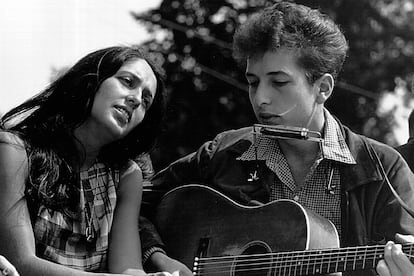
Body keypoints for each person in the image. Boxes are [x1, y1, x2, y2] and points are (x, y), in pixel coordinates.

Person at [137, 3, 414, 276]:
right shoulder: (223, 152)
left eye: (279, 82)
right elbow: (132, 203)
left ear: (323, 88)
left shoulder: (384, 169)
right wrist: (159, 258)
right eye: (253, 82)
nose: (260, 99)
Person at [0, 45, 179, 276]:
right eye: (127, 81)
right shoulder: (15, 152)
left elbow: (128, 269)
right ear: (91, 81)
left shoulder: (127, 176)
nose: (136, 99)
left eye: (146, 101)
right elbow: (21, 263)